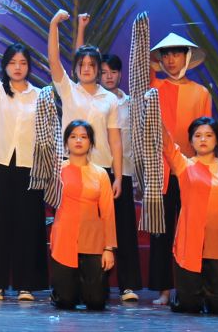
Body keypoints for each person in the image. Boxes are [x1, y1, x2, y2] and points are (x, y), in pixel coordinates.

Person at [0, 22, 46, 302]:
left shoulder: (40, 95)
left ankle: (26, 285)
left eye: (23, 63)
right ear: (5, 65)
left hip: (29, 167)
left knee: (27, 225)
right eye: (13, 62)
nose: (17, 67)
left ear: (29, 67)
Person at [146, 32, 213, 306]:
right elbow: (141, 69)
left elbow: (206, 135)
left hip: (190, 172)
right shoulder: (154, 88)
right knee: (161, 232)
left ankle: (191, 286)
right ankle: (163, 289)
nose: (171, 60)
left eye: (176, 54)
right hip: (160, 171)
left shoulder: (201, 93)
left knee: (192, 231)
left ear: (187, 57)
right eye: (166, 55)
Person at [165, 117, 218, 315]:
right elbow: (166, 143)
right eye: (198, 135)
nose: (203, 139)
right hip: (189, 244)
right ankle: (182, 296)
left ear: (217, 139)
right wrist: (155, 111)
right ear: (191, 141)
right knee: (189, 307)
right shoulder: (184, 166)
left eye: (209, 135)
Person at [48, 121, 117, 311]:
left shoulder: (100, 174)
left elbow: (108, 213)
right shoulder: (57, 170)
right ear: (66, 142)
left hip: (92, 242)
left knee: (96, 302)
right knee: (66, 302)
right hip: (64, 241)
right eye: (73, 136)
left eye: (83, 137)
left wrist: (108, 248)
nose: (78, 140)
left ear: (91, 143)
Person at [48, 11, 124, 180]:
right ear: (75, 69)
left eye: (92, 65)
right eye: (82, 64)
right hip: (70, 164)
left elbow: (115, 141)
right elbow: (53, 60)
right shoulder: (68, 89)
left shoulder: (110, 98)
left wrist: (118, 177)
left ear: (99, 69)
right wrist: (54, 24)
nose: (87, 68)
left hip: (101, 167)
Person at [98, 52, 143, 301]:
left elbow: (136, 142)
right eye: (104, 72)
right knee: (98, 230)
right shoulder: (93, 100)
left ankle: (128, 286)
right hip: (98, 172)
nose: (108, 77)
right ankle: (97, 284)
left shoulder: (131, 104)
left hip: (123, 173)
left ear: (120, 74)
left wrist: (136, 178)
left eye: (113, 72)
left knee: (125, 230)